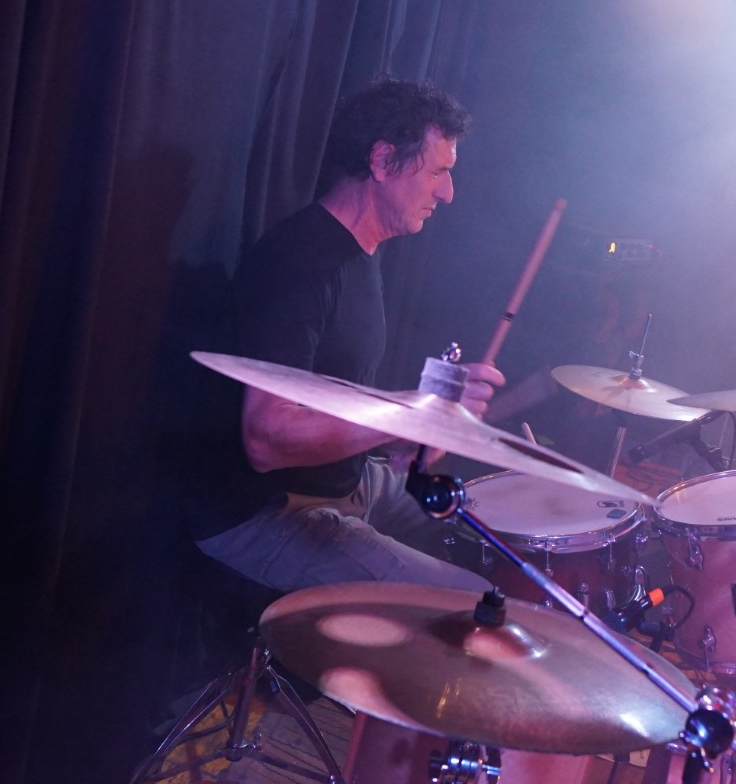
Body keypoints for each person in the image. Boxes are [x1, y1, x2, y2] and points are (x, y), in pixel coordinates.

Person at [187, 77, 502, 593]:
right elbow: (265, 438)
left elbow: (332, 399)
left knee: (492, 536)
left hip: (346, 482)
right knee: (473, 602)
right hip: (262, 514)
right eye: (438, 172)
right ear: (382, 161)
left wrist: (412, 430)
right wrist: (409, 412)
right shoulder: (298, 264)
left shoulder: (360, 252)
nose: (447, 193)